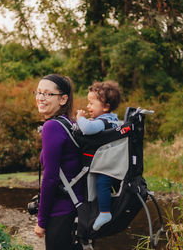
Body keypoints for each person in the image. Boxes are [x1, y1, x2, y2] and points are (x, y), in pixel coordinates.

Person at [34, 74, 83, 250]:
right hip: (77, 207)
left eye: (47, 94)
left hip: (61, 211)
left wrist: (41, 220)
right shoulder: (70, 123)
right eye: (38, 93)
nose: (40, 98)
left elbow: (50, 178)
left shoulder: (52, 127)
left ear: (63, 99)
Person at [76, 80, 121, 231]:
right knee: (104, 185)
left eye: (91, 103)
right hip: (113, 162)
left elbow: (88, 129)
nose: (88, 107)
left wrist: (80, 118)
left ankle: (105, 212)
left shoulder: (104, 121)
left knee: (102, 183)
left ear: (106, 107)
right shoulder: (114, 120)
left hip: (106, 165)